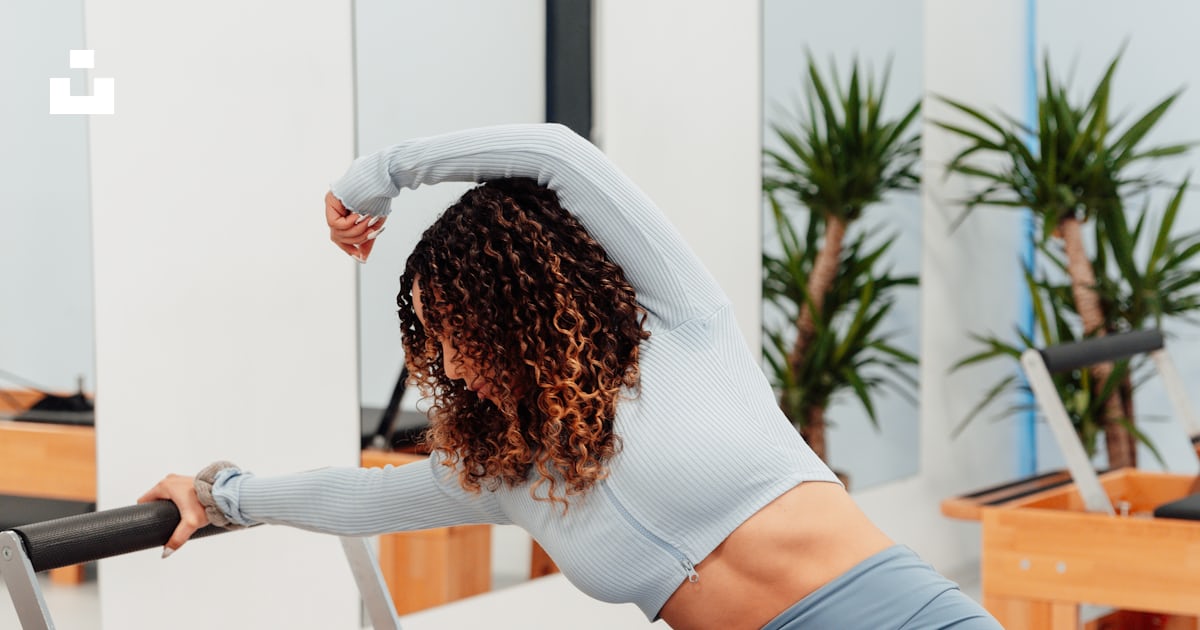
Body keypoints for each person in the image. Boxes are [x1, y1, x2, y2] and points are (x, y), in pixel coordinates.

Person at [140, 123, 1001, 629]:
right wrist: (224, 494)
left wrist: (384, 173)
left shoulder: (684, 330)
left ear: (516, 313)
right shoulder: (505, 473)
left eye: (457, 330)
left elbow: (555, 154)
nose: (446, 362)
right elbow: (355, 498)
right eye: (433, 340)